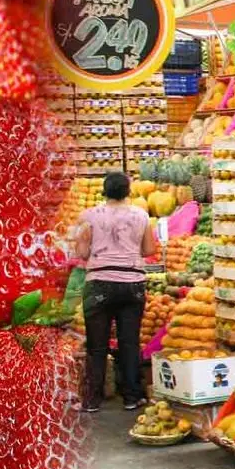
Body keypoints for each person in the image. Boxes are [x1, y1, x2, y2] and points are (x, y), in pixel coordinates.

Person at [75, 171, 157, 412]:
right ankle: (132, 397)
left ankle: (92, 400)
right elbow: (148, 250)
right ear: (128, 191)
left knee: (96, 345)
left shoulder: (88, 216)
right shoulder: (141, 215)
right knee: (129, 342)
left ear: (104, 191)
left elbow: (82, 253)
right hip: (132, 284)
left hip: (99, 284)